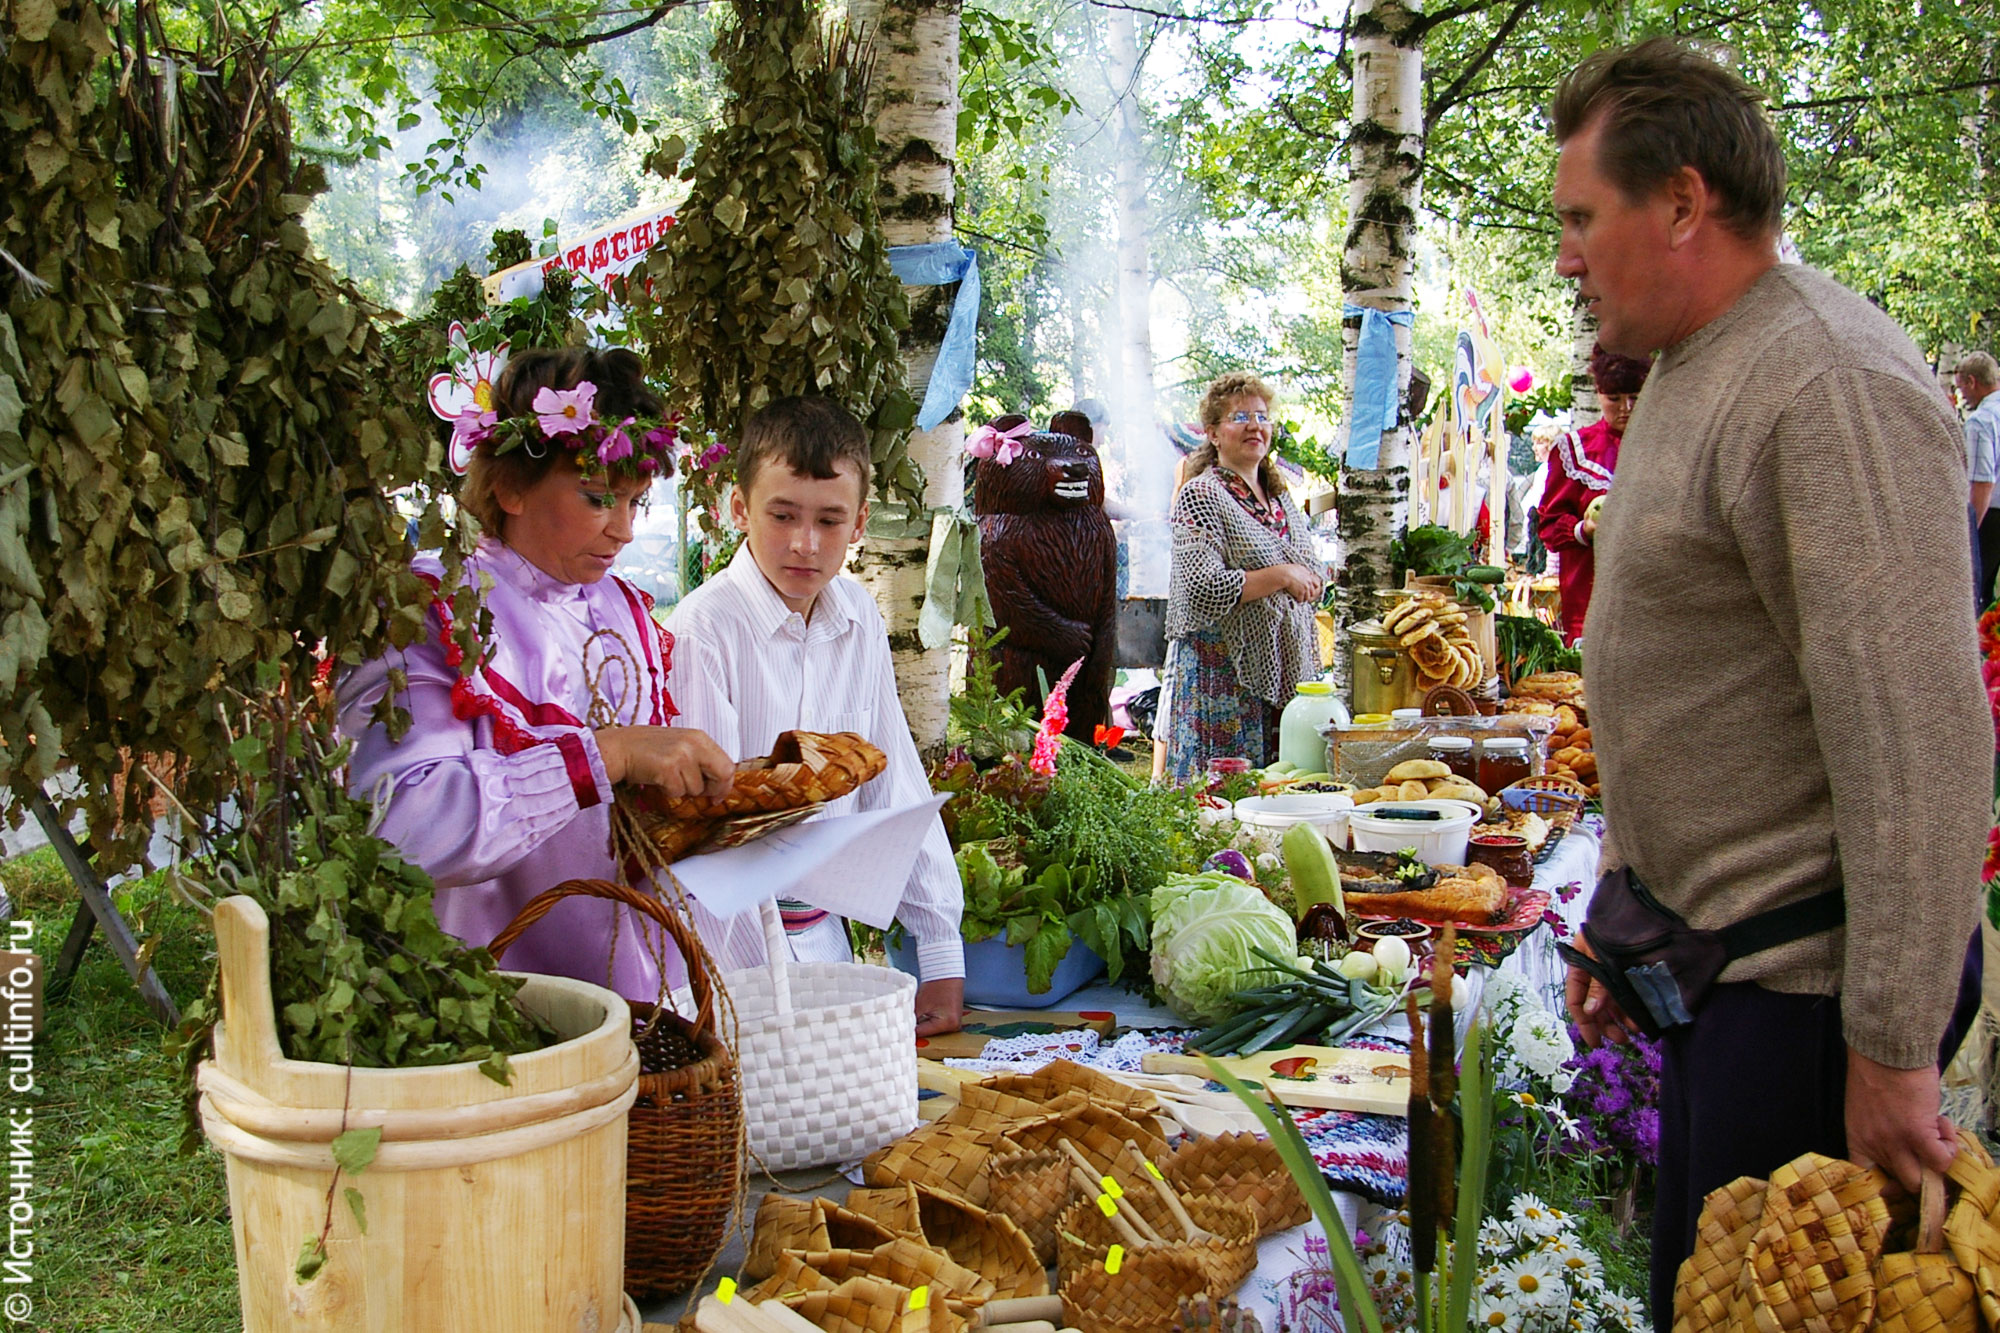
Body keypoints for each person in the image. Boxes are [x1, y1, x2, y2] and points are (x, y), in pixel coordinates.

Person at [1548, 40, 1989, 1331]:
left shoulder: (1825, 381)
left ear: (1682, 204)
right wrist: (1628, 909)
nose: (1566, 257)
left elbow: (1915, 740)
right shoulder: (1704, 362)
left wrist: (1894, 1046)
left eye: (1581, 218)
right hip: (1727, 981)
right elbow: (1706, 691)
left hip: (1809, 1013)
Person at [337, 347, 738, 1000]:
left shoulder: (620, 608)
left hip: (622, 989)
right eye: (598, 498)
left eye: (636, 503)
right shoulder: (434, 610)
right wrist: (602, 757)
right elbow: (400, 826)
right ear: (509, 487)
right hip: (478, 998)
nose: (624, 531)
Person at [663, 396, 967, 1037]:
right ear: (738, 509)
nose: (806, 544)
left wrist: (940, 948)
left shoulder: (858, 618)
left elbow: (893, 780)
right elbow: (707, 824)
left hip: (824, 947)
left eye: (830, 520)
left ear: (860, 523)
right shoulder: (703, 629)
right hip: (725, 961)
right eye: (783, 516)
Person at [1161, 371, 1324, 785]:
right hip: (1223, 675)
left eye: (1262, 416)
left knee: (1279, 789)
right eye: (1240, 417)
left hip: (1285, 666)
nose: (1255, 426)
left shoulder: (1280, 495)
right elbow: (1203, 587)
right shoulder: (1201, 495)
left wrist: (1308, 578)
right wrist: (1282, 575)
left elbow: (1311, 567)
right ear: (1213, 433)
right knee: (1223, 796)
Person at [1538, 345, 1651, 645]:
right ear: (1599, 393)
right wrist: (1584, 529)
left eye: (1635, 397)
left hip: (1654, 599)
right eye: (1614, 399)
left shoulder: (1666, 446)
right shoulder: (1574, 450)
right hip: (1590, 601)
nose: (1626, 408)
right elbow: (1548, 526)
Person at [1958, 352, 2000, 599]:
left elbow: (1982, 483)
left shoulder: (1980, 422)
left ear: (1972, 382)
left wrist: (1969, 531)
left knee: (1977, 591)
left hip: (1992, 516)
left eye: (1961, 387)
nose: (1962, 395)